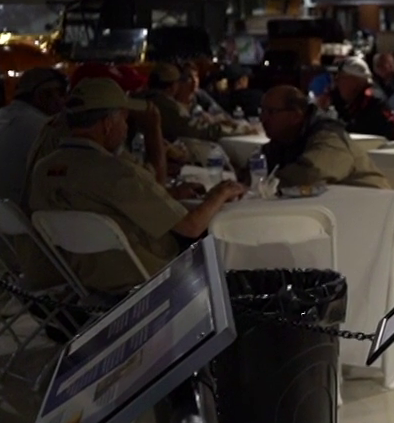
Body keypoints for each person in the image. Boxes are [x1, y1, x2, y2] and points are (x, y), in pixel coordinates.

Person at [26, 78, 245, 290]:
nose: (125, 128)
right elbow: (192, 226)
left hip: (83, 278)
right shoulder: (116, 172)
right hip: (142, 277)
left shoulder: (43, 169)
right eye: (124, 119)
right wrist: (221, 192)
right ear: (108, 124)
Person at [259, 85, 389, 190]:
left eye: (271, 112)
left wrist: (265, 184)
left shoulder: (329, 137)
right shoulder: (284, 140)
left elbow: (312, 173)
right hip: (330, 206)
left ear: (296, 116)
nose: (263, 118)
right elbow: (258, 168)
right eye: (262, 111)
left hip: (370, 204)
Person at [0, 68, 68, 201]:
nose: (63, 102)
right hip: (10, 211)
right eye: (60, 94)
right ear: (42, 96)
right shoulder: (45, 130)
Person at [139, 63, 226, 144]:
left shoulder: (141, 98)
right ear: (173, 86)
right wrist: (227, 129)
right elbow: (194, 129)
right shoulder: (169, 107)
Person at [328, 58, 394, 140]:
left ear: (355, 81)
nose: (336, 83)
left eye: (340, 78)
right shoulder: (351, 102)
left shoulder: (373, 103)